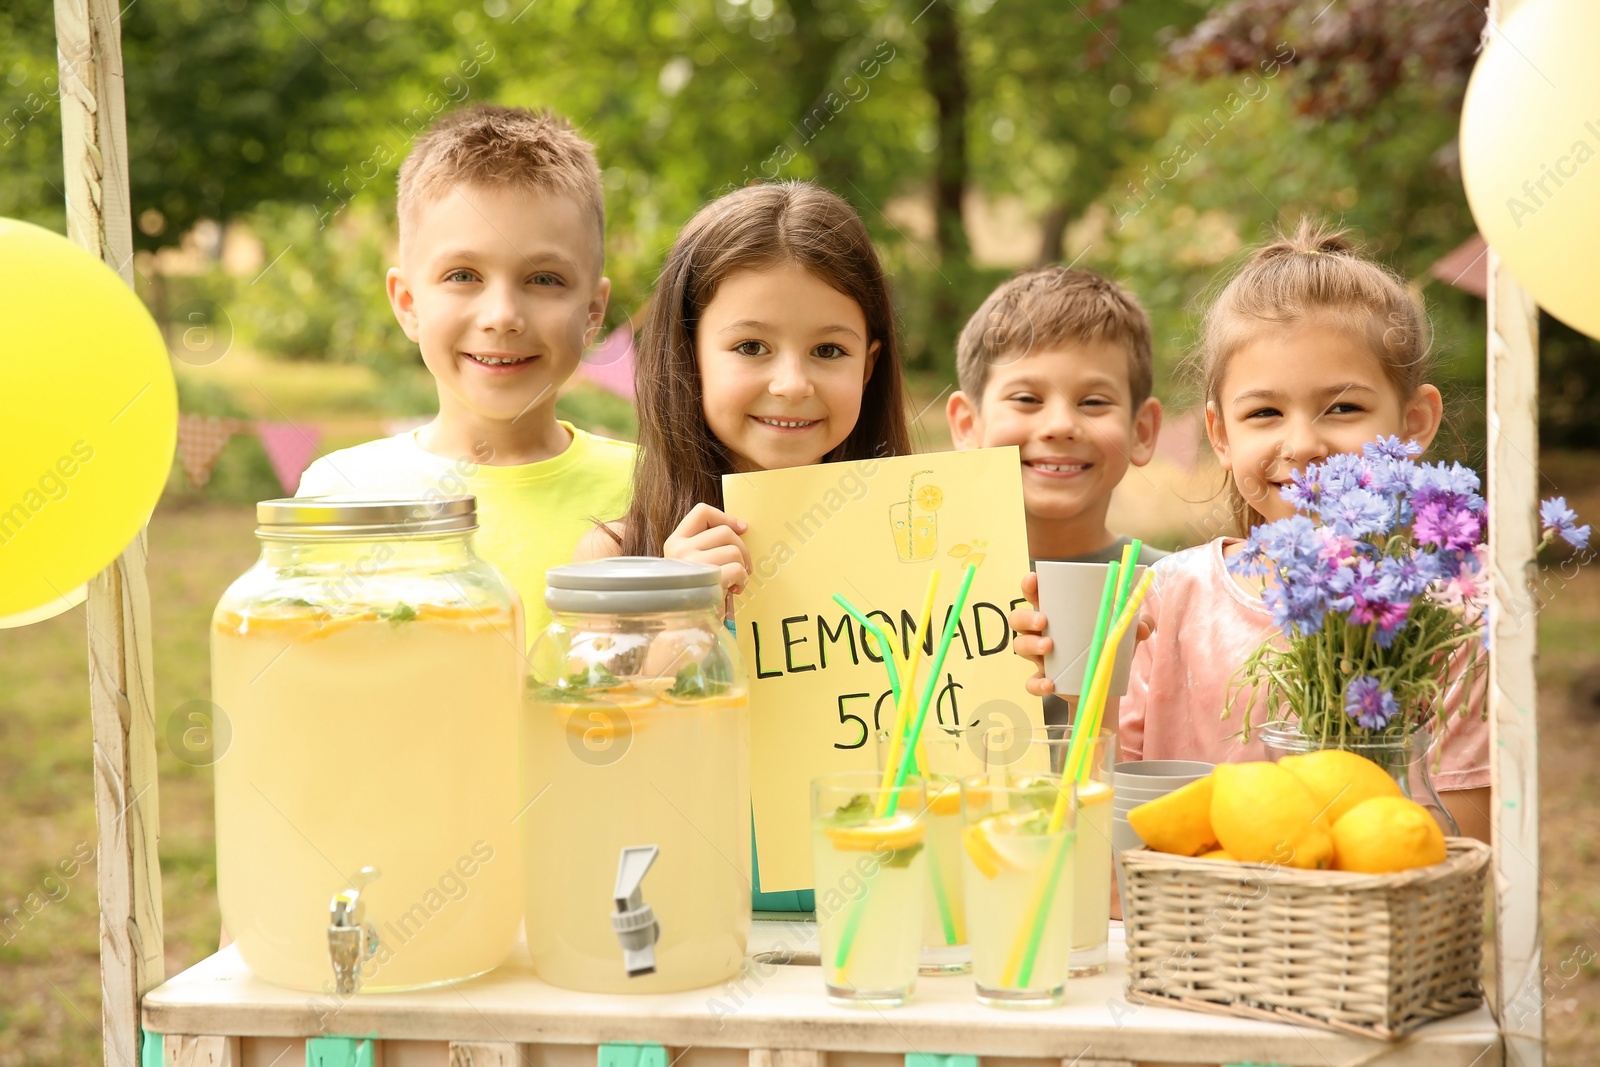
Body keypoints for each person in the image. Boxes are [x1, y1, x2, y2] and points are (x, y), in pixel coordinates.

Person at [1010, 219, 1491, 841]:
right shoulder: (1168, 596)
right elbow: (1102, 824)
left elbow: (1461, 845)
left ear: (1415, 419)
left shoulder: (1451, 606)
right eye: (1264, 412)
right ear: (1220, 435)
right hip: (1172, 930)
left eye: (1343, 408)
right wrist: (1087, 678)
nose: (1303, 445)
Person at [578, 180, 912, 910]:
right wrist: (674, 616)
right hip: (693, 937)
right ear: (688, 355)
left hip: (880, 929)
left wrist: (1024, 655)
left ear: (870, 362)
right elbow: (585, 769)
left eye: (829, 349)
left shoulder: (923, 558)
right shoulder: (615, 559)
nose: (791, 383)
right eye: (751, 346)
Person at [297, 105, 634, 639]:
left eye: (544, 279)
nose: (502, 316)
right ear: (408, 304)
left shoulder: (650, 490)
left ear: (593, 313)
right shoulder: (342, 493)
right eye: (463, 275)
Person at [946, 267, 1167, 726]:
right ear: (968, 425)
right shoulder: (920, 593)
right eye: (1026, 399)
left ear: (1141, 431)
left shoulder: (1176, 590)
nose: (1061, 425)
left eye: (1093, 403)